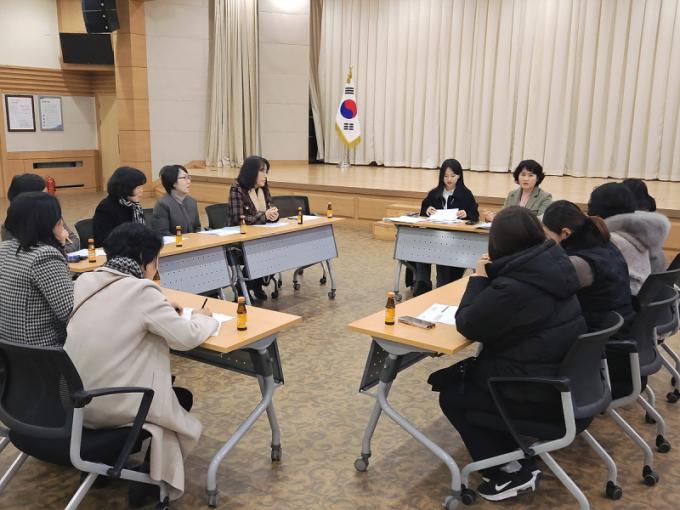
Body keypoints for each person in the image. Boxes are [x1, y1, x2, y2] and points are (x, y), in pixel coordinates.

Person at [430, 206, 586, 502]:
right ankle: (512, 454)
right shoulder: (554, 264)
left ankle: (507, 472)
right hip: (564, 381)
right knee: (465, 378)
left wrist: (479, 278)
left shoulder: (515, 287)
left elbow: (468, 324)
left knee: (453, 393)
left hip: (536, 390)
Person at [64, 223, 217, 506]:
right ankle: (150, 478)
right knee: (179, 398)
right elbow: (185, 337)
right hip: (112, 405)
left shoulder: (84, 281)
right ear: (146, 260)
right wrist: (203, 317)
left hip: (74, 401)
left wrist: (161, 305)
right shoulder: (143, 291)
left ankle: (102, 466)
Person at [543, 200, 634, 331]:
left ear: (565, 233)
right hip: (619, 322)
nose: (546, 240)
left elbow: (548, 291)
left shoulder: (580, 262)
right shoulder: (603, 243)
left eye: (547, 235)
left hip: (598, 332)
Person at [0, 192, 73, 347]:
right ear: (47, 223)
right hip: (44, 350)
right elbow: (70, 312)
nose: (61, 222)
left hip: (9, 348)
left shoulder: (4, 248)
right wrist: (60, 246)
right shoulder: (44, 255)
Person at [587, 183, 670, 295]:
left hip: (626, 300)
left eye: (591, 205)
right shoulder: (639, 233)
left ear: (597, 209)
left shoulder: (612, 239)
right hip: (642, 297)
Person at [412, 159, 480, 296]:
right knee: (419, 247)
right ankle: (422, 284)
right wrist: (427, 210)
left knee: (442, 252)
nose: (449, 179)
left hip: (455, 239)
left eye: (452, 176)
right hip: (433, 236)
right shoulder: (435, 193)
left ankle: (442, 287)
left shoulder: (466, 194)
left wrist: (466, 213)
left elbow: (475, 214)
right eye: (445, 176)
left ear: (459, 176)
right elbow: (424, 209)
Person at [228, 156, 279, 300]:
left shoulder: (263, 188)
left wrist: (274, 215)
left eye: (266, 171)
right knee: (262, 251)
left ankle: (256, 283)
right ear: (251, 172)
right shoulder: (237, 188)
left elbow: (270, 207)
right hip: (240, 238)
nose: (265, 175)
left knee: (280, 249)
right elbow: (238, 219)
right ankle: (244, 286)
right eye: (262, 171)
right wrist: (264, 216)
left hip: (261, 235)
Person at [1, 173, 80, 252]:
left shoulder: (51, 215)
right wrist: (62, 244)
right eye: (43, 195)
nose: (48, 199)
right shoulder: (10, 227)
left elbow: (74, 240)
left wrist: (63, 247)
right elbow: (27, 255)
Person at [93, 166, 147, 246]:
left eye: (142, 187)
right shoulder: (105, 208)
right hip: (116, 251)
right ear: (125, 188)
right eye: (138, 188)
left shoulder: (133, 206)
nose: (142, 191)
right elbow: (103, 240)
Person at [483, 160, 552, 221]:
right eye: (523, 175)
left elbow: (541, 221)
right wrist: (492, 217)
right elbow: (503, 214)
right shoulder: (512, 194)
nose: (526, 179)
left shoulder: (545, 197)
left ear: (537, 178)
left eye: (530, 175)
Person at [152, 164, 201, 236]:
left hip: (193, 242)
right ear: (173, 183)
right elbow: (163, 234)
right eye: (184, 178)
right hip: (174, 242)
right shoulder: (163, 205)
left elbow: (197, 228)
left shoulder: (191, 201)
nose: (189, 181)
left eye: (188, 177)